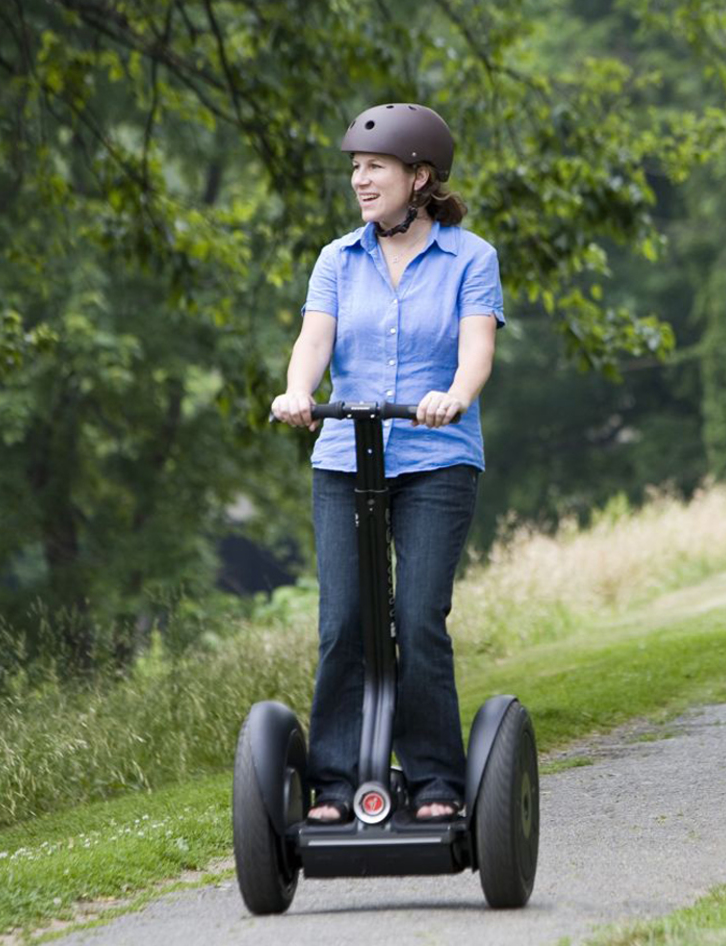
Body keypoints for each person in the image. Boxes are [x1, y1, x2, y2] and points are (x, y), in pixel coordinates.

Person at [271, 103, 503, 824]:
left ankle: (436, 779)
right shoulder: (337, 259)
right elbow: (315, 341)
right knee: (345, 621)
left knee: (418, 617)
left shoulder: (471, 257)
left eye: (374, 167)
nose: (360, 181)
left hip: (437, 460)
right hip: (345, 460)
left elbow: (476, 352)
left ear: (419, 175)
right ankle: (335, 785)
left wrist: (454, 396)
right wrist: (298, 391)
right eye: (355, 169)